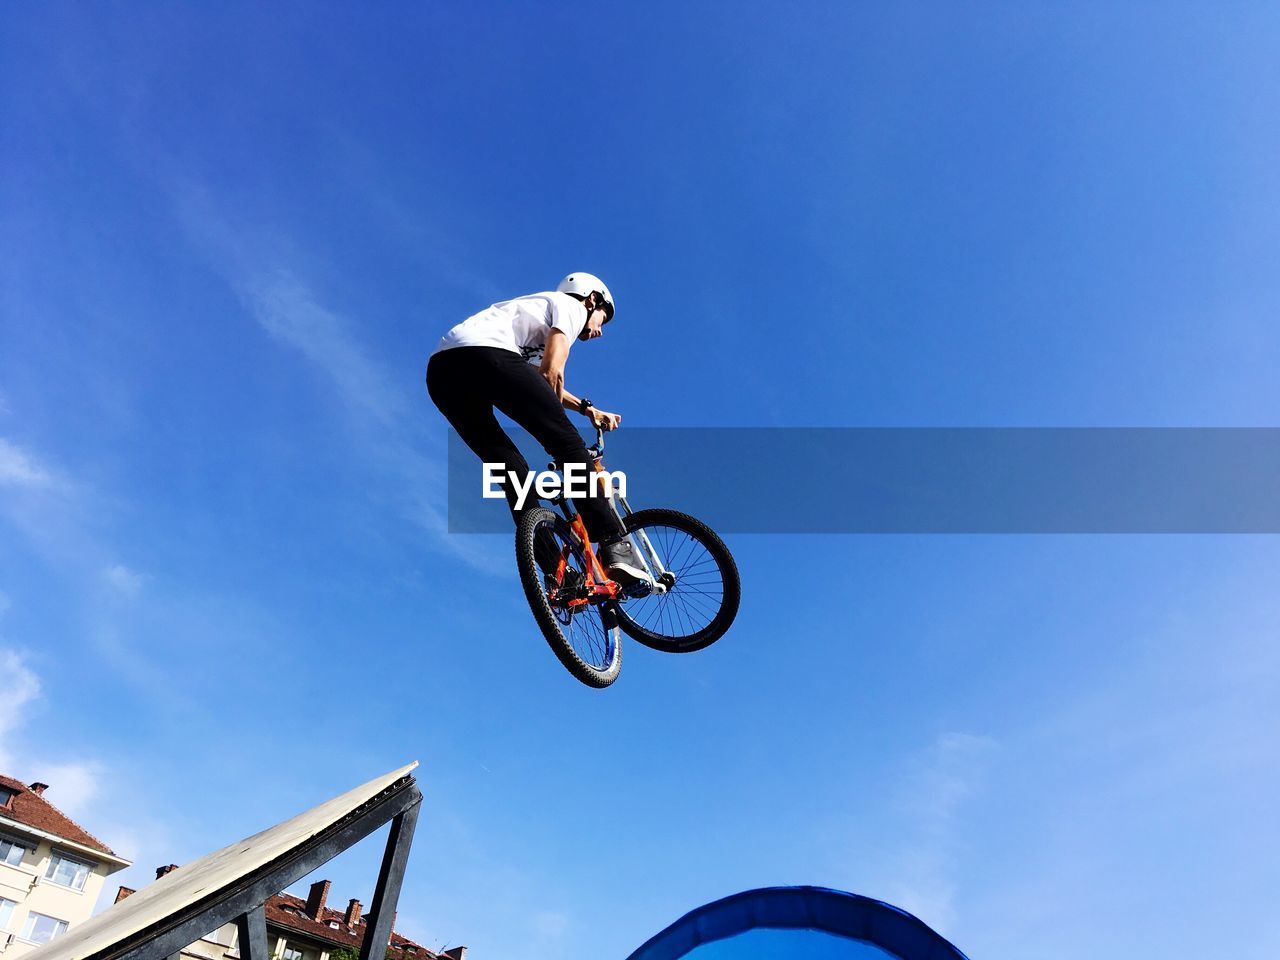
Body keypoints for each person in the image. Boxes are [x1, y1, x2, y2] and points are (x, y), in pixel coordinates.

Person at [426, 272, 651, 590]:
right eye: (603, 318)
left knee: (512, 472)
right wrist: (559, 433)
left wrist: (587, 409)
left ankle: (557, 574)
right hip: (487, 356)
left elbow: (525, 375)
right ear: (592, 300)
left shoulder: (524, 319)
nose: (599, 330)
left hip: (442, 372)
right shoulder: (569, 307)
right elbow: (550, 370)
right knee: (567, 444)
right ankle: (616, 549)